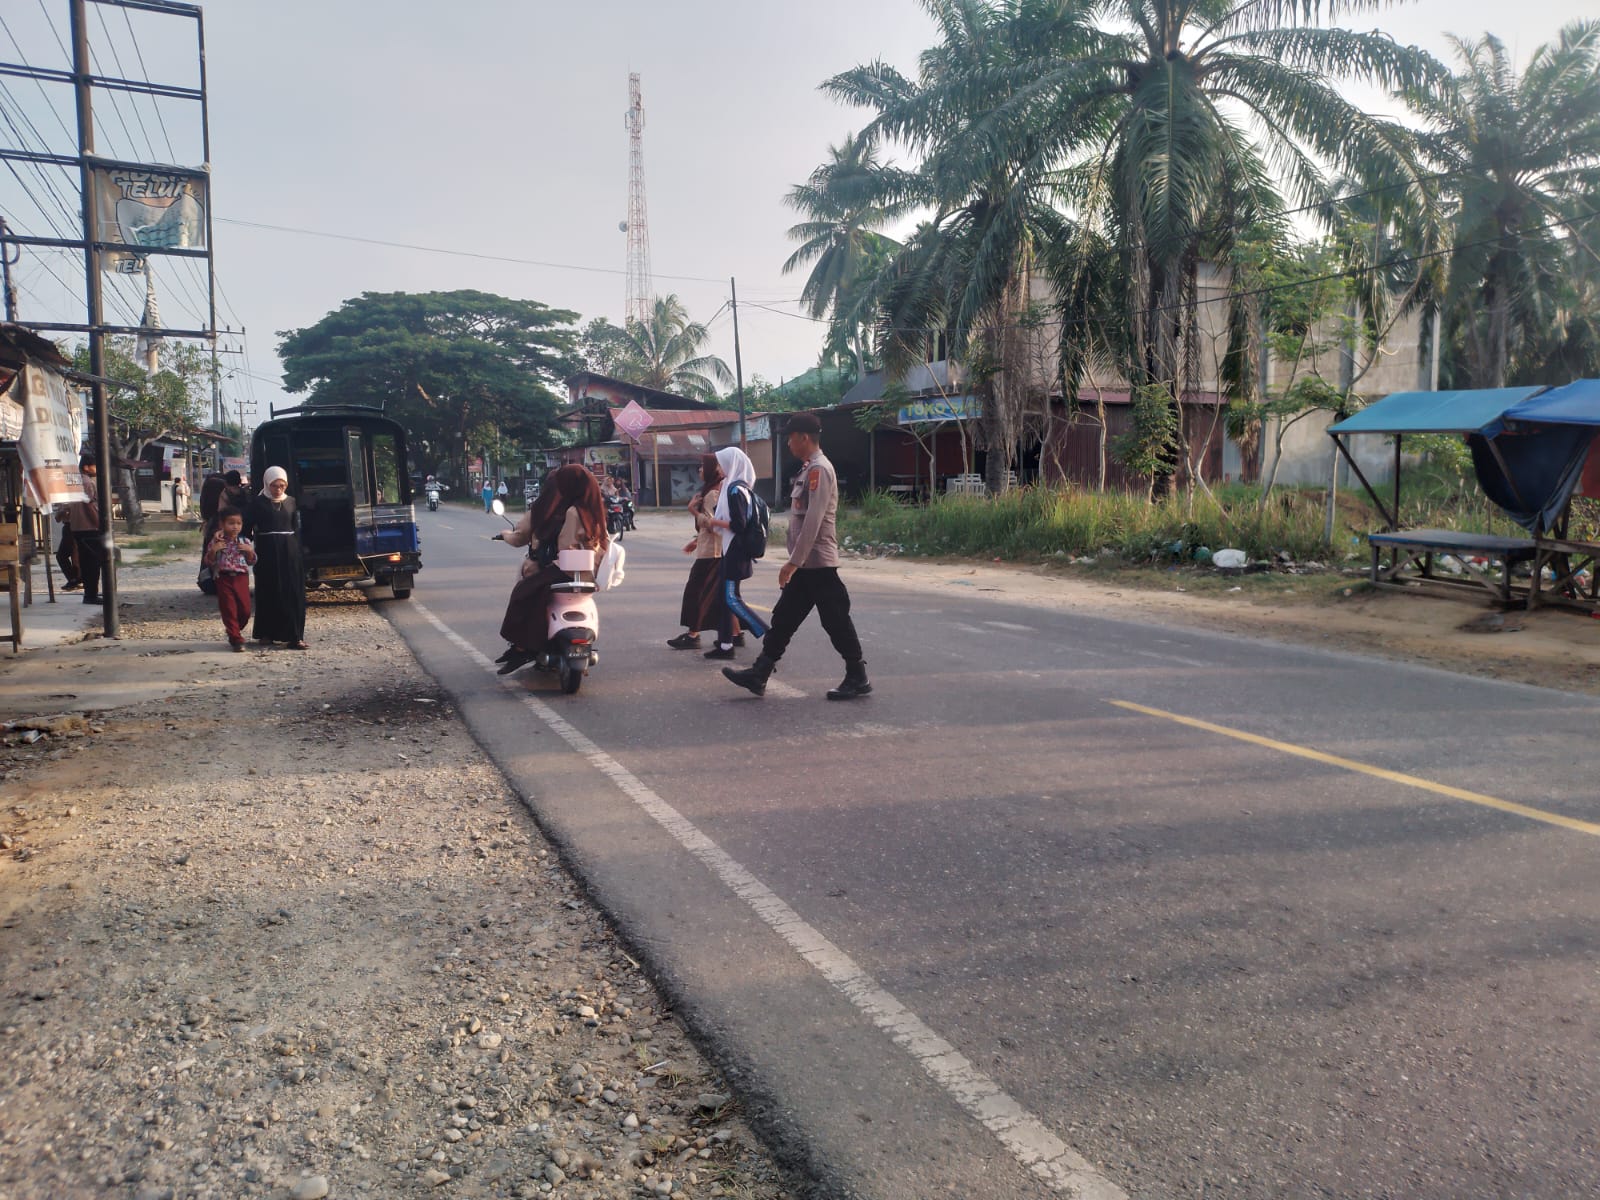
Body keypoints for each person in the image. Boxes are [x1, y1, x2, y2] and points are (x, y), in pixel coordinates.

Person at [723, 412, 870, 700]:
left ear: (804, 437)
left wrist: (792, 563)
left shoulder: (820, 470)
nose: (788, 443)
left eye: (790, 437)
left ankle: (858, 675)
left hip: (818, 564)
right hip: (807, 565)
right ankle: (760, 673)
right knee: (784, 618)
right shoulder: (807, 469)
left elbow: (813, 522)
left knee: (836, 620)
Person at [493, 465, 608, 676]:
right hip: (588, 573)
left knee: (524, 592)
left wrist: (549, 563)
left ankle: (522, 648)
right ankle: (523, 648)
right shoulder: (592, 507)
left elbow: (566, 548)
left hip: (568, 568)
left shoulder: (570, 511)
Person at [667, 453, 740, 651]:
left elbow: (713, 525)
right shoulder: (712, 490)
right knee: (721, 595)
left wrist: (693, 510)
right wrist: (696, 541)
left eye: (702, 466)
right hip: (712, 550)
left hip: (712, 553)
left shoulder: (712, 494)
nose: (699, 470)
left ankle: (693, 635)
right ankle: (736, 633)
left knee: (696, 593)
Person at [701, 446, 766, 661]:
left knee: (730, 598)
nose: (719, 467)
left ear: (732, 463)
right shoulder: (743, 487)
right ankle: (726, 645)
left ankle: (768, 634)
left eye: (722, 462)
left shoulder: (735, 490)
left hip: (735, 552)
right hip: (734, 550)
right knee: (724, 598)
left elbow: (738, 524)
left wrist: (713, 522)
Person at [242, 465, 308, 649]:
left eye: (282, 485)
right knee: (268, 590)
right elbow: (245, 527)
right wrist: (245, 547)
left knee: (292, 592)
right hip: (267, 551)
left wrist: (300, 550)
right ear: (267, 484)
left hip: (290, 552)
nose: (278, 489)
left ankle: (295, 636)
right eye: (274, 485)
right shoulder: (257, 503)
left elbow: (297, 528)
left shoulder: (292, 502)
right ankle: (267, 633)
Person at [206, 507, 256, 651]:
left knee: (245, 610)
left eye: (238, 523)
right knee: (229, 608)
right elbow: (209, 562)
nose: (235, 526)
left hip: (241, 578)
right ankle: (236, 639)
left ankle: (233, 630)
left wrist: (249, 551)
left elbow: (252, 561)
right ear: (222, 524)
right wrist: (214, 550)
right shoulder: (217, 541)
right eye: (231, 523)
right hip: (223, 578)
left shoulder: (244, 541)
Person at [64, 456, 105, 605]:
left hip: (77, 527)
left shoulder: (74, 481)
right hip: (89, 527)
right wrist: (100, 523)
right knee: (93, 564)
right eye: (94, 466)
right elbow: (89, 505)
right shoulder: (87, 482)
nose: (96, 469)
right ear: (87, 467)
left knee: (86, 562)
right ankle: (91, 595)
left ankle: (90, 594)